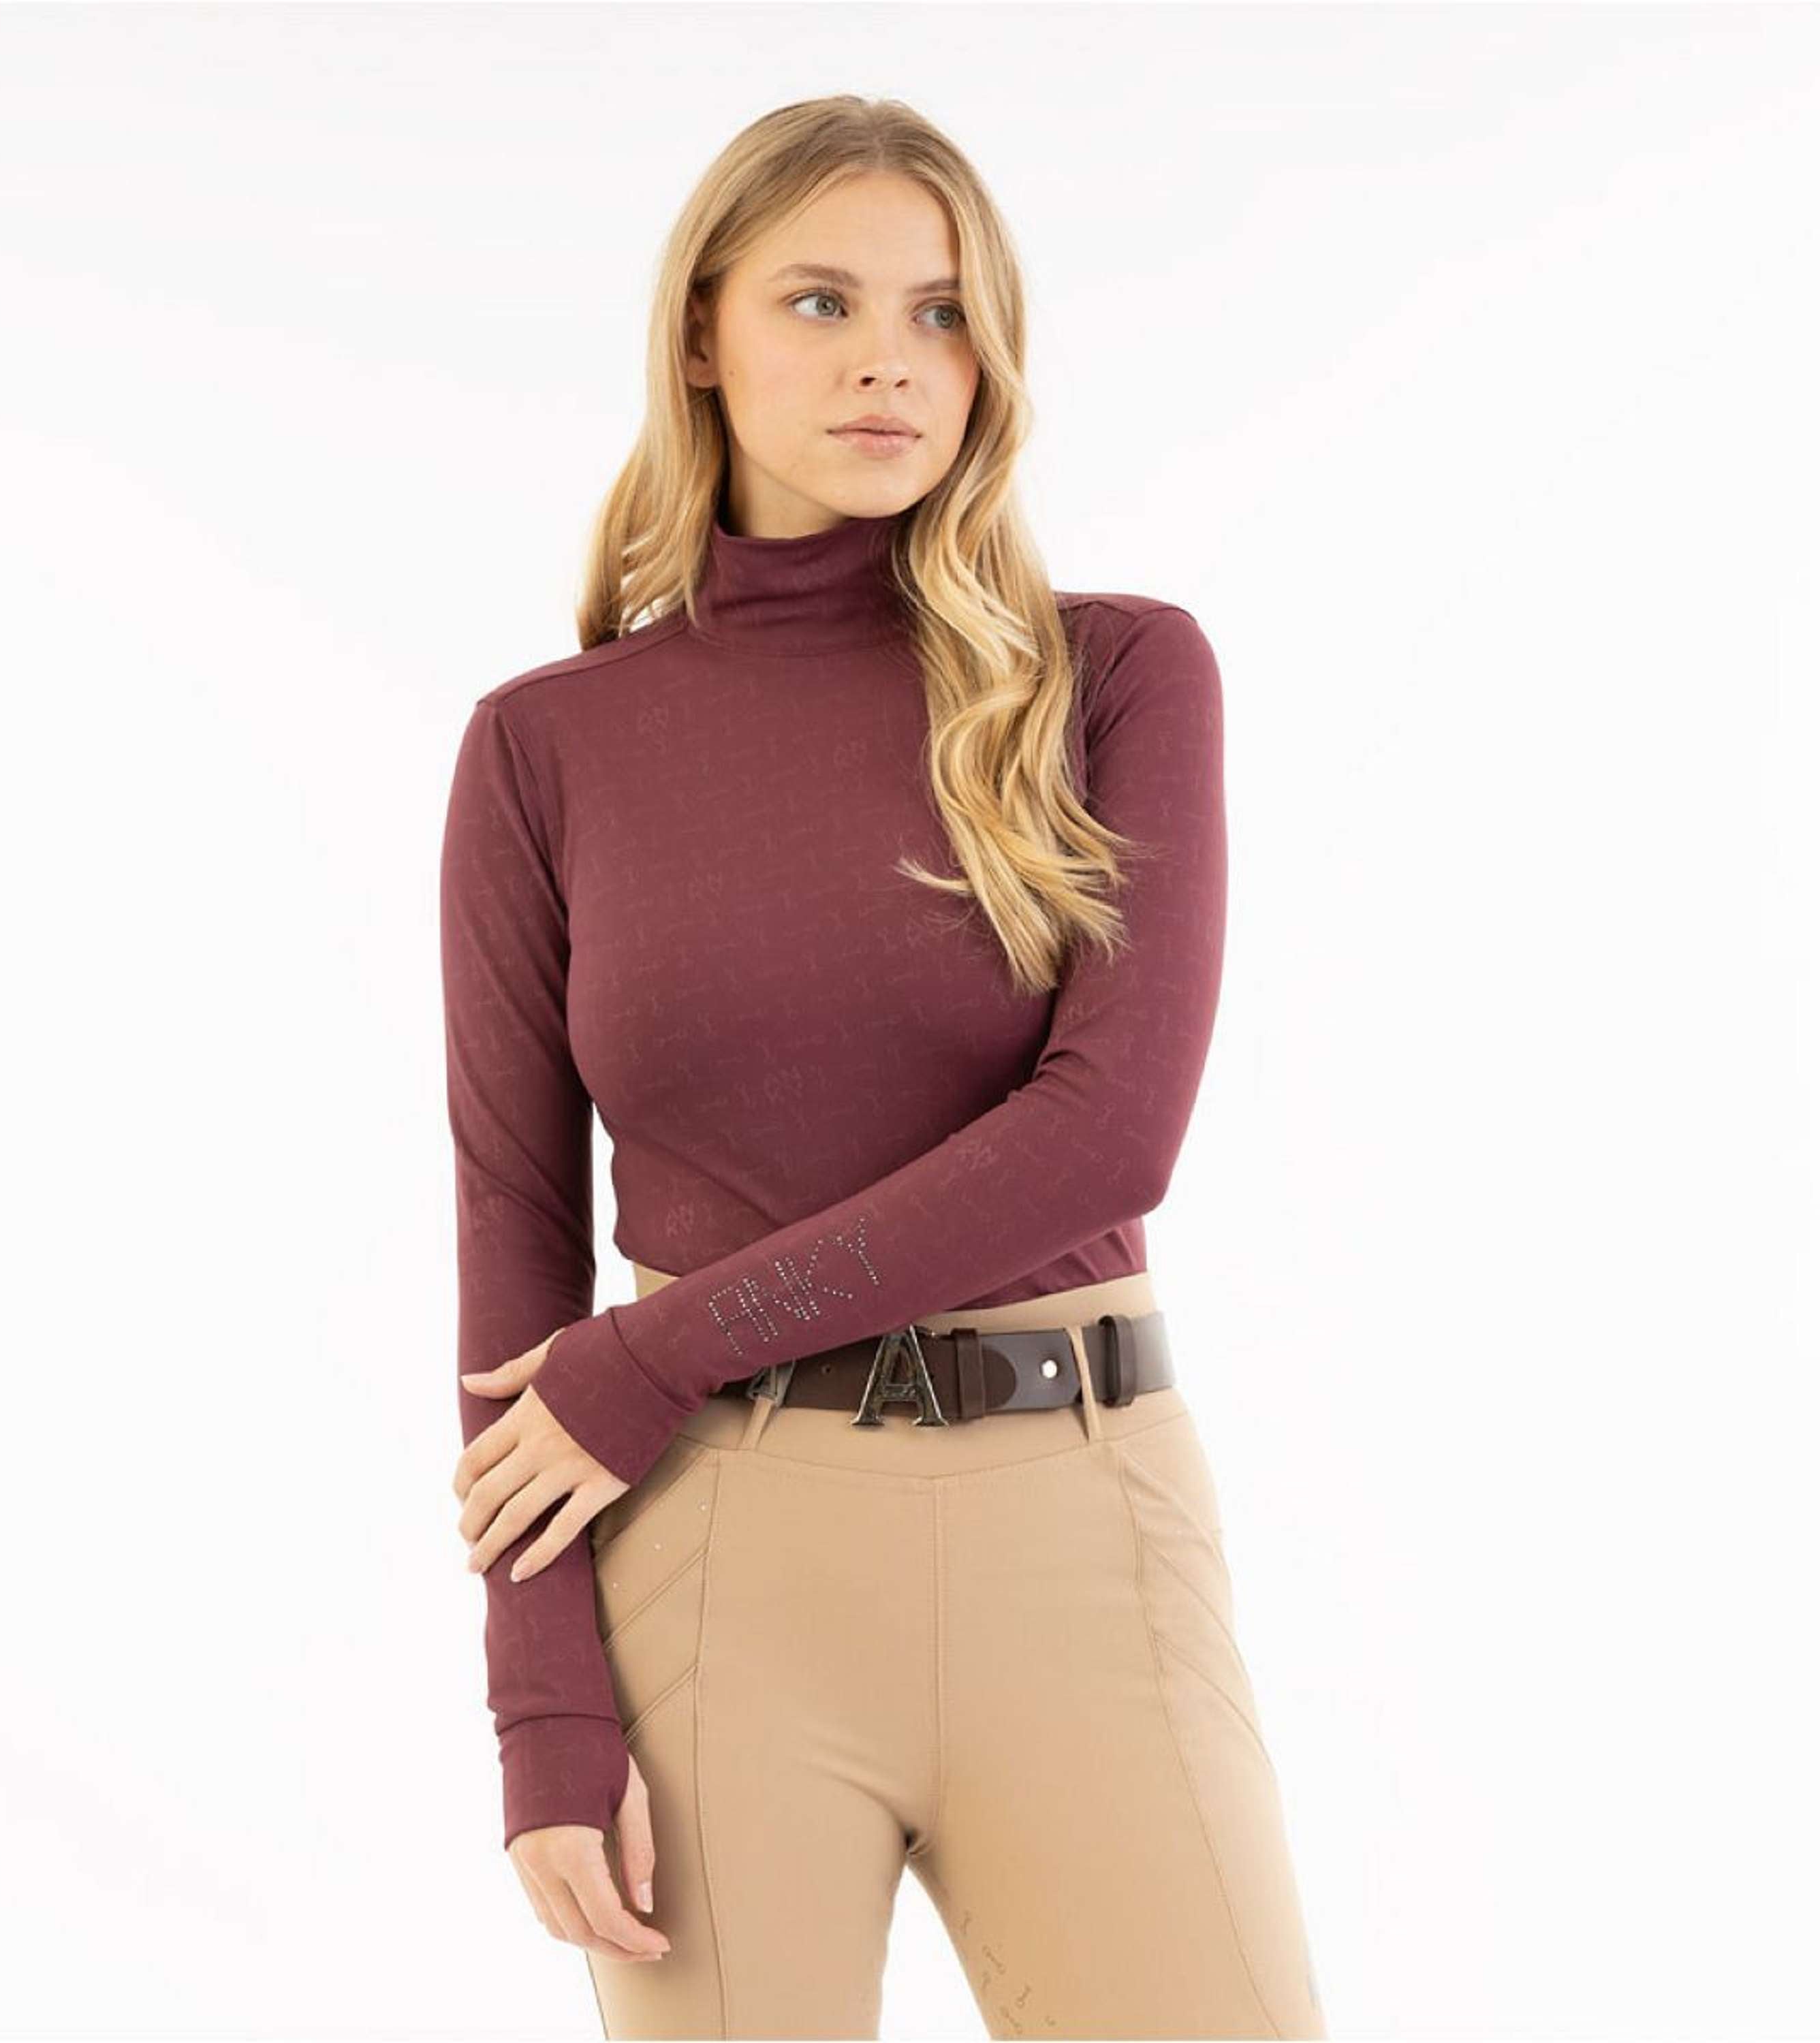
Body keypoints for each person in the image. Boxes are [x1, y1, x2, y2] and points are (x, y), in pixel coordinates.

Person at [440, 93, 1326, 2041]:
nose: (890, 362)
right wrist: (543, 1706)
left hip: (1078, 1526)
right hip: (710, 1563)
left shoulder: (1115, 677)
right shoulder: (546, 747)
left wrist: (655, 1350)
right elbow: (514, 1230)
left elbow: (1109, 1136)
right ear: (702, 332)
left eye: (941, 313)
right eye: (822, 301)